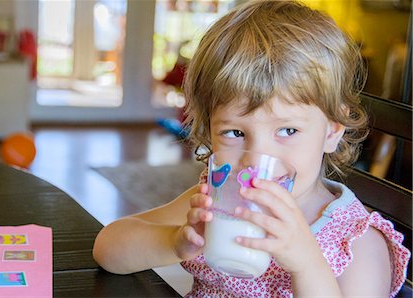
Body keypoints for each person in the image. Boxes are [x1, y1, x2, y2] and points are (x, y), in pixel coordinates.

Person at [93, 1, 410, 297]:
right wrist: (175, 242)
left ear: (332, 131)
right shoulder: (220, 201)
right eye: (234, 132)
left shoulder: (356, 242)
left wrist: (305, 262)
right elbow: (108, 249)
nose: (255, 160)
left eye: (287, 130)